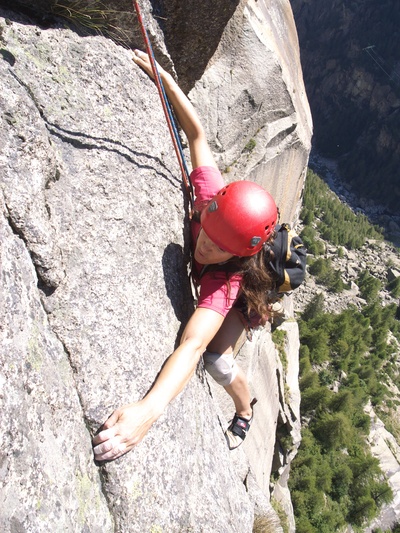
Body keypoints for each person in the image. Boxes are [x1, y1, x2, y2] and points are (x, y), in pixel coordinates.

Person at [92, 50, 278, 462]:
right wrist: (166, 79)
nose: (204, 246)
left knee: (216, 358)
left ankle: (246, 408)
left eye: (218, 247)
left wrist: (147, 412)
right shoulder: (211, 197)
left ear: (237, 254)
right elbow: (197, 136)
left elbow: (192, 346)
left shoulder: (226, 279)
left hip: (242, 297)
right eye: (206, 232)